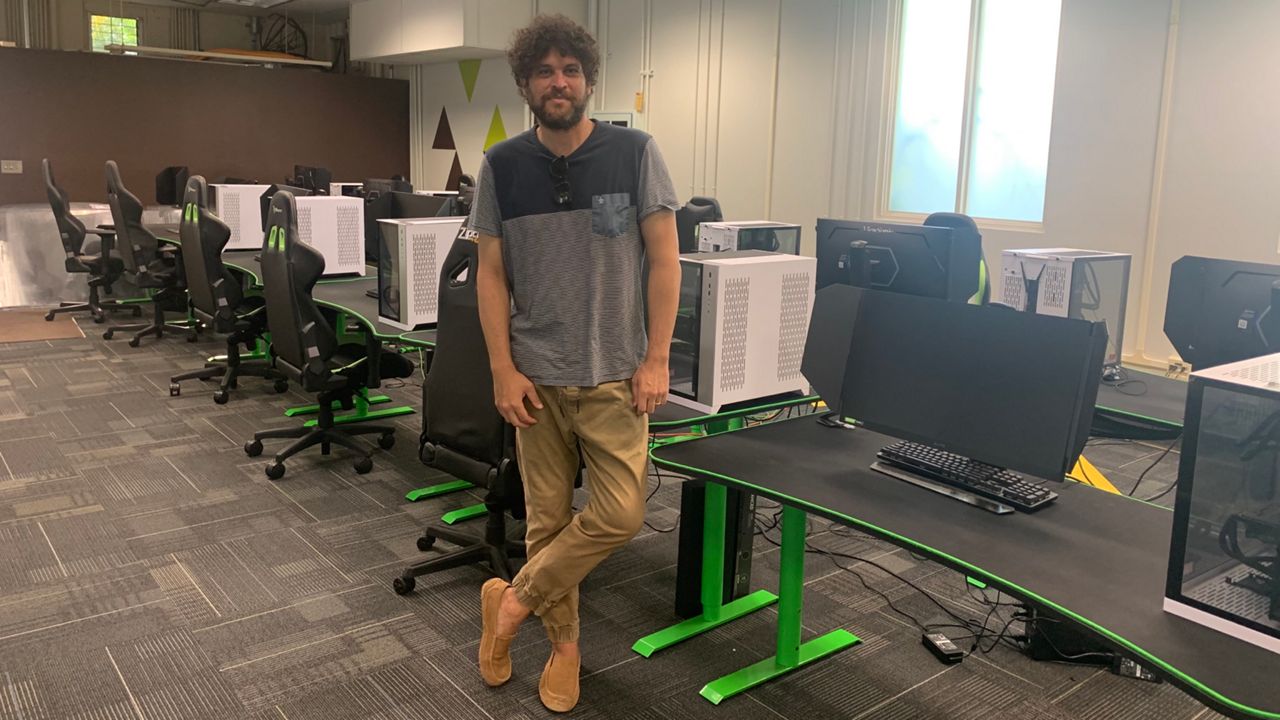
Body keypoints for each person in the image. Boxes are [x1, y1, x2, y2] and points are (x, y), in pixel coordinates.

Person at [467, 13, 680, 714]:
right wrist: (502, 367)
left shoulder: (634, 153)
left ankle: (511, 603)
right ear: (527, 83)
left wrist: (655, 358)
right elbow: (491, 274)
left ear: (587, 80)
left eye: (570, 70)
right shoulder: (502, 166)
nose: (558, 82)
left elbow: (665, 261)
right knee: (547, 522)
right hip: (536, 379)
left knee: (619, 515)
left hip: (616, 374)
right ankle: (564, 648)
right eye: (544, 71)